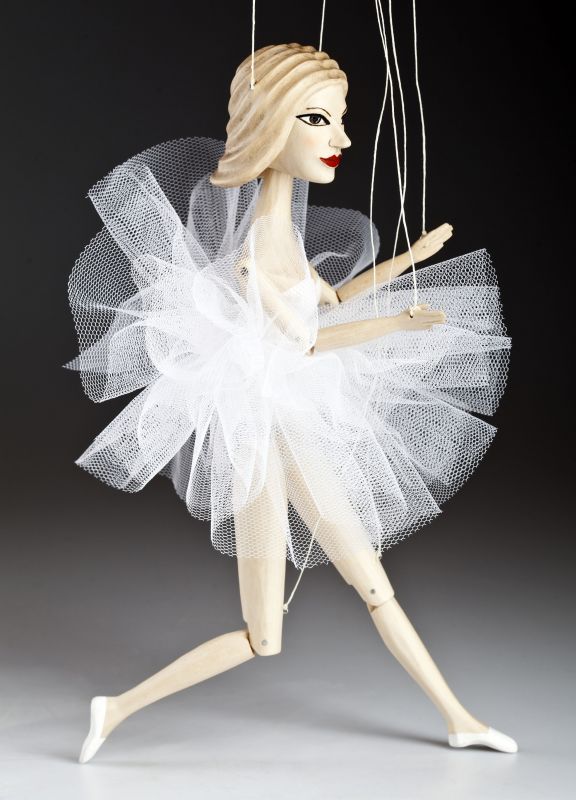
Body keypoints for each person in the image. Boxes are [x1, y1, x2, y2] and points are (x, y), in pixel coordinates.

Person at [68, 44, 517, 763]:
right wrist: (399, 323)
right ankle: (117, 707)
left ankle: (459, 717)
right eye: (317, 119)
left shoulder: (278, 232)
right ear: (270, 125)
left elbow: (329, 298)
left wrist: (409, 259)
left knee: (345, 598)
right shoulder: (256, 246)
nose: (341, 139)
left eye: (340, 118)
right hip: (271, 432)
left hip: (283, 424)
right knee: (293, 622)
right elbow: (309, 343)